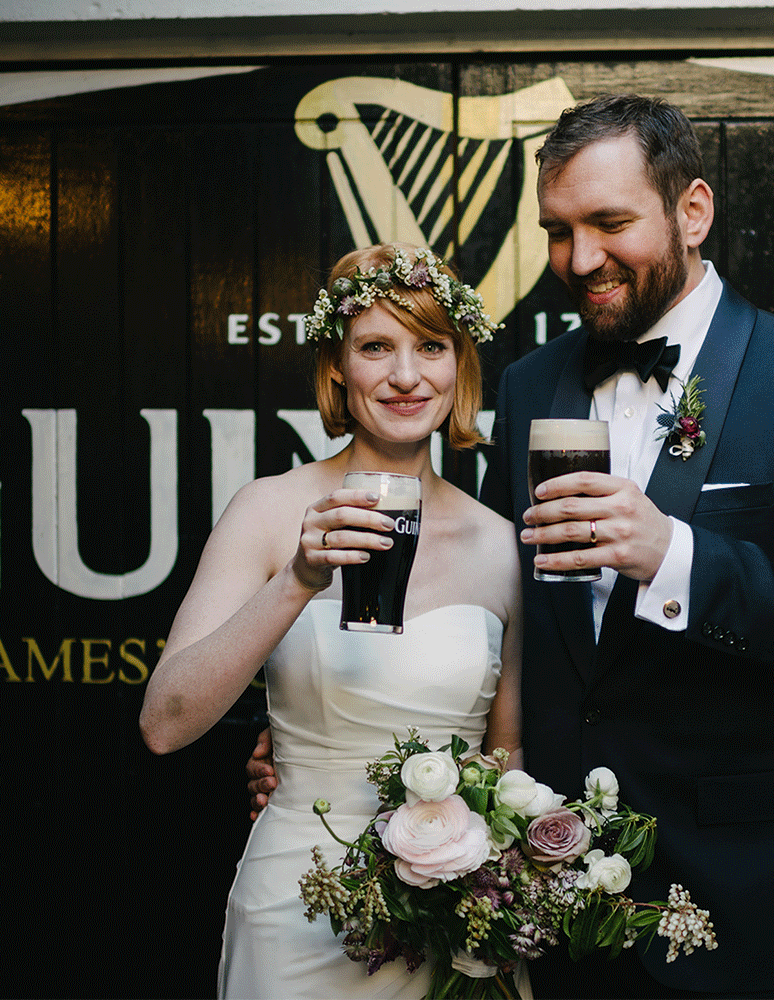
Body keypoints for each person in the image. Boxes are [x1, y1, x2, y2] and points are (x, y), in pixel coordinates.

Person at [250, 95, 774, 998]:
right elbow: (488, 620)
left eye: (609, 224)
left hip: (750, 900)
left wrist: (672, 555)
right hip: (553, 906)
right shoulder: (533, 384)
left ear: (693, 211)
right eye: (558, 232)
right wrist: (318, 748)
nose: (580, 260)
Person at [142, 243, 523, 1000]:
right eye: (376, 347)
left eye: (432, 348)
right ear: (336, 368)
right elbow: (165, 724)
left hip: (450, 926)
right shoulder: (268, 509)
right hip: (298, 908)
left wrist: (487, 895)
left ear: (460, 367)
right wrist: (299, 578)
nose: (407, 377)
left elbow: (507, 763)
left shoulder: (502, 544)